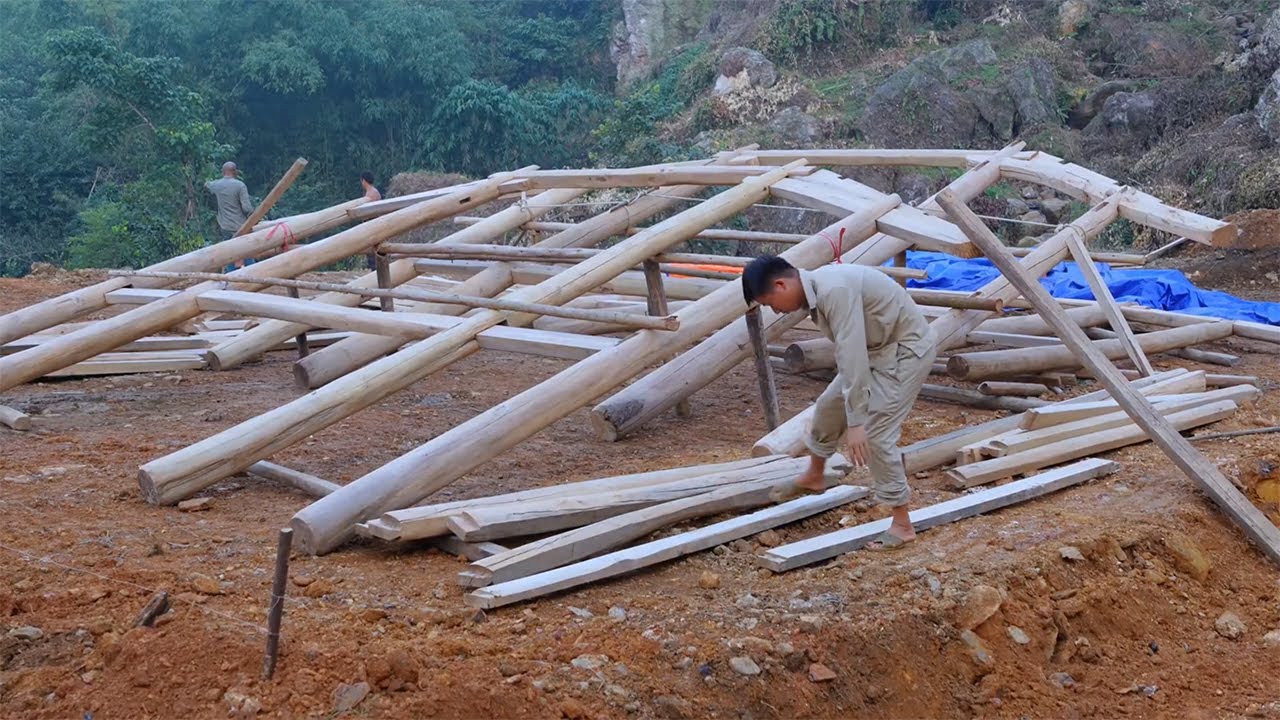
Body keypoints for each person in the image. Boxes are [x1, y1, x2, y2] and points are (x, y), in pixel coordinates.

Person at [741, 256, 937, 550]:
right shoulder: (819, 289)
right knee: (828, 406)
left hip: (904, 353)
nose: (775, 310)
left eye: (770, 302)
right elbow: (852, 359)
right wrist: (848, 409)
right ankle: (815, 474)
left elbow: (851, 354)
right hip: (877, 351)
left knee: (876, 435)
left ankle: (902, 525)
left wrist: (856, 422)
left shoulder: (834, 291)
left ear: (781, 284)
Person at [204, 161, 254, 271]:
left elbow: (207, 185)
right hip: (241, 227)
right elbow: (247, 208)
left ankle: (231, 279)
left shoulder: (217, 185)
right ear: (235, 172)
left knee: (230, 254)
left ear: (223, 172)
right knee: (247, 253)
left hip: (225, 227)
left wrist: (207, 183)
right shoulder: (240, 185)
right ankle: (252, 276)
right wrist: (253, 216)